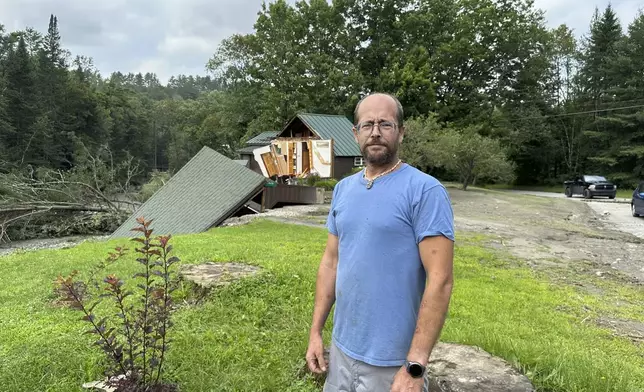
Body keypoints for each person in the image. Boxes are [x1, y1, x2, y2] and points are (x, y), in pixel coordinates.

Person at [305, 93, 455, 392]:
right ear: (355, 132)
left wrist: (415, 365)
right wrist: (316, 332)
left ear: (401, 131)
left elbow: (441, 280)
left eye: (385, 124)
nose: (375, 132)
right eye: (367, 124)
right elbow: (331, 263)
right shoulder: (344, 189)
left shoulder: (425, 191)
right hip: (341, 351)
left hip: (392, 363)